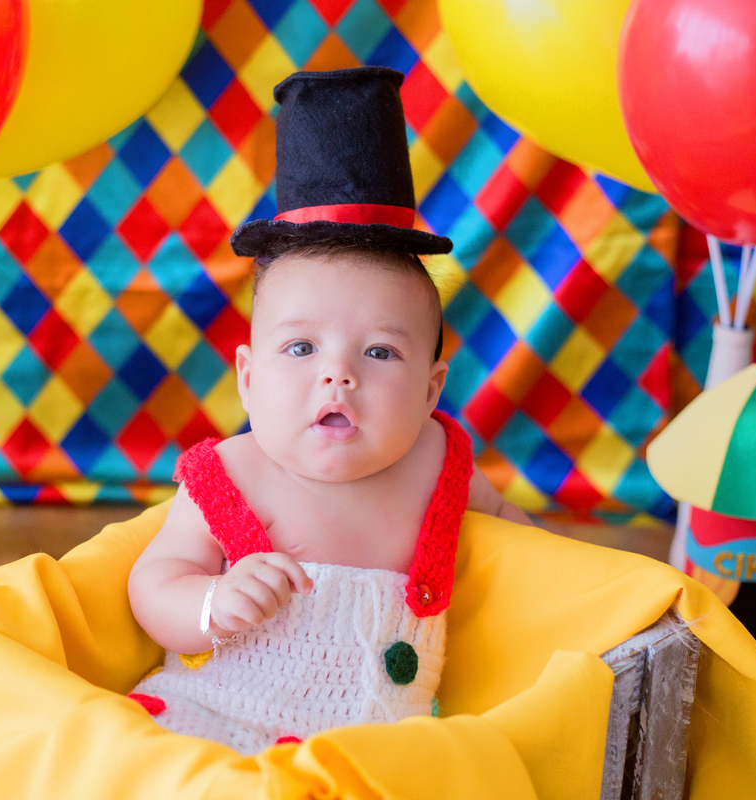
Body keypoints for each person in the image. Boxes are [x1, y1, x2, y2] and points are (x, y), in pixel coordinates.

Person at [126, 66, 530, 754]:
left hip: (387, 735)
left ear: (432, 391)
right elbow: (151, 582)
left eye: (378, 354)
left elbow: (526, 552)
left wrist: (591, 587)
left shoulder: (440, 463)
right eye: (302, 347)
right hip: (222, 716)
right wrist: (209, 605)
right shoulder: (230, 474)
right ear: (248, 380)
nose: (336, 376)